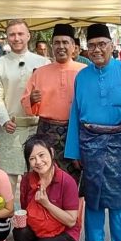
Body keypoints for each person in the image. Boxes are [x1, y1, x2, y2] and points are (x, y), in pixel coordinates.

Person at [66, 23, 121, 241]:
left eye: (102, 44)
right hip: (90, 143)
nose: (97, 49)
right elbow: (75, 115)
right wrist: (74, 151)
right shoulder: (82, 76)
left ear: (112, 46)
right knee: (93, 197)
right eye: (92, 45)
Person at [22, 24, 87, 184]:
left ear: (74, 46)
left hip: (75, 131)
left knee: (73, 183)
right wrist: (31, 99)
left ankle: (73, 210)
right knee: (45, 179)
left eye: (65, 42)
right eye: (57, 42)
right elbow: (26, 104)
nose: (61, 46)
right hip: (46, 132)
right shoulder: (40, 72)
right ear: (52, 46)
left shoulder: (85, 71)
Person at [0, 20, 50, 181]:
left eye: (20, 34)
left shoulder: (44, 63)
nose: (16, 38)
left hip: (38, 127)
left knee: (38, 178)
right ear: (7, 37)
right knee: (7, 180)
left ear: (28, 36)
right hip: (11, 126)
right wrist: (4, 119)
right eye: (12, 34)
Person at [15, 135, 80, 241]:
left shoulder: (66, 181)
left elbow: (71, 221)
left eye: (41, 155)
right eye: (32, 158)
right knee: (20, 232)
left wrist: (47, 204)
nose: (38, 162)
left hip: (65, 232)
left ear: (51, 153)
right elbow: (25, 209)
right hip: (40, 228)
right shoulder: (27, 180)